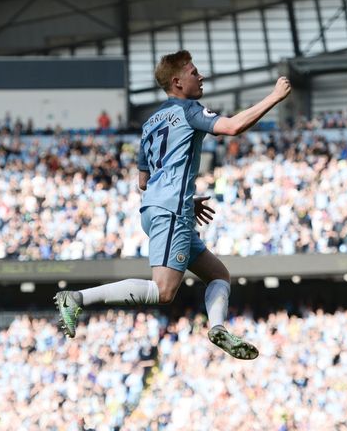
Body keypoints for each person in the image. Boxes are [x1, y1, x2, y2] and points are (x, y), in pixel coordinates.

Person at [54, 50, 291, 359]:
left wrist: (182, 197)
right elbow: (232, 127)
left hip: (157, 208)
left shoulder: (150, 123)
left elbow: (143, 180)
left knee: (219, 276)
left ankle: (218, 328)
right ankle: (76, 298)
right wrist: (274, 96)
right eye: (194, 72)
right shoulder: (190, 110)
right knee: (163, 291)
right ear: (178, 82)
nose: (200, 76)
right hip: (171, 211)